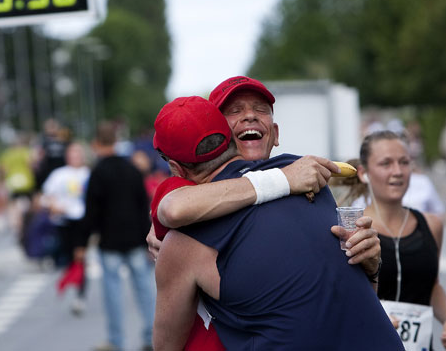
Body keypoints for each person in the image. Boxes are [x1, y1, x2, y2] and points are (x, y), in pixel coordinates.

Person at [147, 76, 382, 350]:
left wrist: (373, 266)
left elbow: (350, 299)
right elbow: (172, 208)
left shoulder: (306, 176)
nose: (249, 116)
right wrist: (283, 180)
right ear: (222, 134)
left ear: (276, 133)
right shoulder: (184, 209)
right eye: (234, 111)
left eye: (260, 109)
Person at [340, 130, 446, 349]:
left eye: (404, 162)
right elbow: (340, 296)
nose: (397, 171)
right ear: (363, 173)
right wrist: (374, 318)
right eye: (386, 163)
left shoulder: (432, 224)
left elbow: (432, 285)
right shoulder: (352, 229)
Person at [74, 121, 154, 351]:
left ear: (97, 143)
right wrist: (148, 237)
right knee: (145, 290)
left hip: (109, 241)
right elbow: (143, 207)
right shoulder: (133, 170)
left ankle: (116, 341)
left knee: (113, 294)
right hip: (136, 240)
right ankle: (151, 337)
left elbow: (90, 212)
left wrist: (81, 244)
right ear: (116, 142)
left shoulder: (97, 174)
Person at [41, 142, 90, 316]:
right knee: (68, 258)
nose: (75, 157)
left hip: (82, 222)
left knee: (81, 257)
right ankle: (73, 283)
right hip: (63, 222)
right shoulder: (59, 175)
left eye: (78, 154)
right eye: (72, 154)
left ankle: (80, 295)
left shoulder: (88, 174)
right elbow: (45, 198)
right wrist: (52, 205)